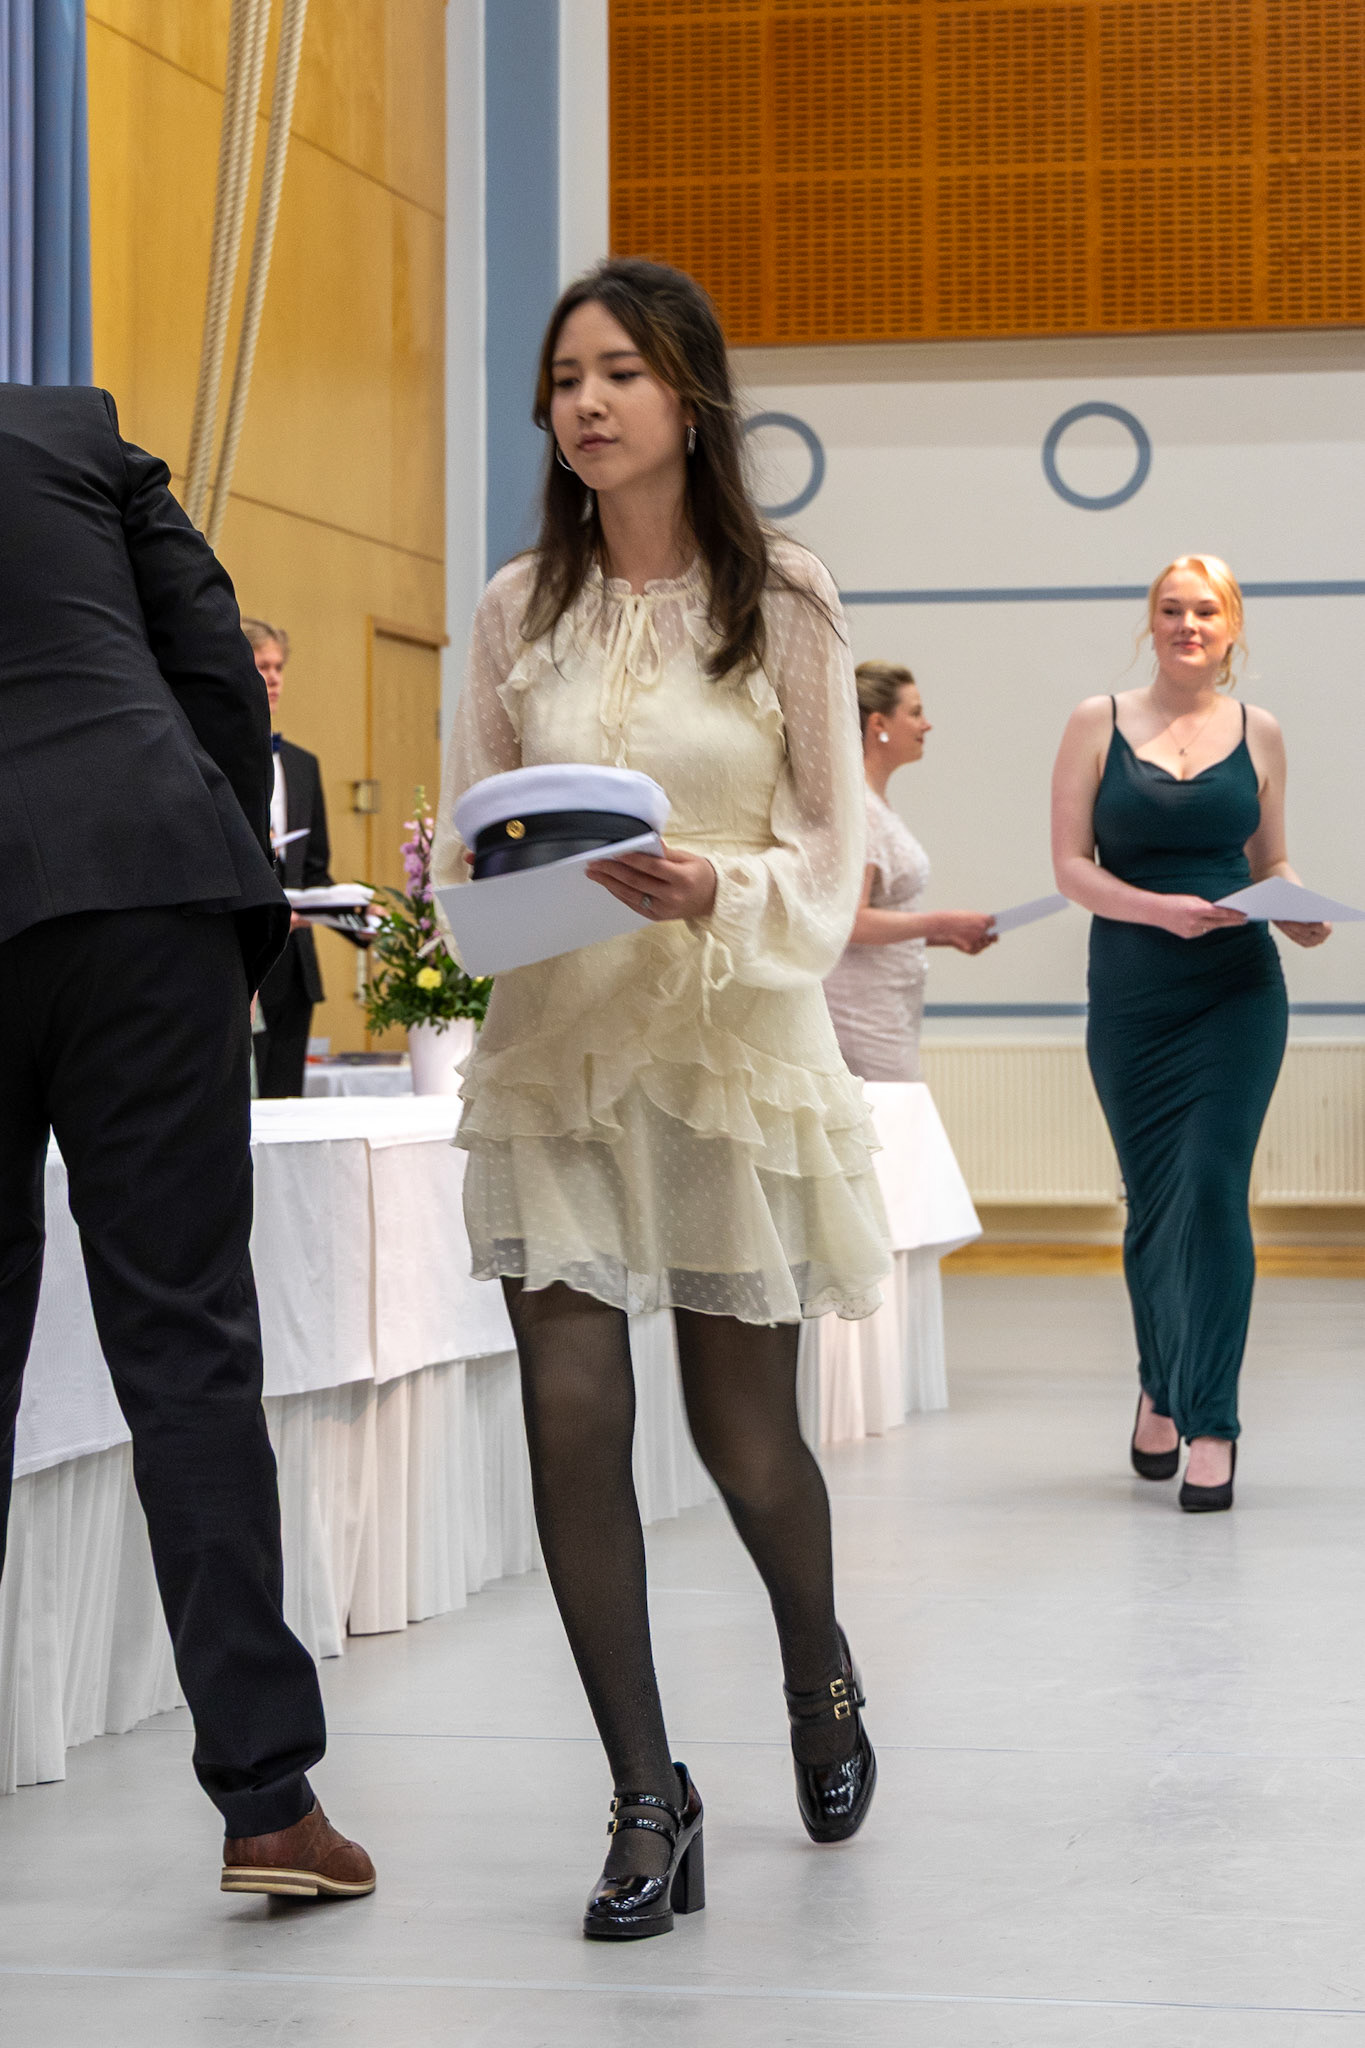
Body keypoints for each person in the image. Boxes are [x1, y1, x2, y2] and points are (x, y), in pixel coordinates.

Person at [433, 258, 889, 1940]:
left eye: (619, 370)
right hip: (555, 1054)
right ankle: (646, 1796)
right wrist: (477, 888)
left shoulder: (787, 599)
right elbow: (472, 835)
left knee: (745, 1440)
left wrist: (720, 886)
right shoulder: (516, 610)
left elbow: (830, 847)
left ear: (688, 396)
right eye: (567, 378)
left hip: (725, 1053)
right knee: (568, 1413)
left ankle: (817, 1670)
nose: (588, 402)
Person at [0, 383, 373, 1898]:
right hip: (142, 885)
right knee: (187, 1345)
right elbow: (215, 662)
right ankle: (269, 1803)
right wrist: (216, 859)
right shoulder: (67, 431)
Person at [1051, 555, 1329, 1512]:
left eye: (1204, 611)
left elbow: (1270, 857)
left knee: (1210, 1191)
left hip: (1236, 990)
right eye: (1169, 609)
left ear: (1231, 625)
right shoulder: (1096, 722)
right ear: (1151, 623)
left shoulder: (1261, 731)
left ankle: (1210, 1421)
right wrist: (1155, 909)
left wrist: (1294, 904)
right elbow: (1069, 867)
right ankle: (1158, 1385)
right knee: (1153, 1203)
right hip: (1133, 995)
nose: (1186, 624)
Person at [824, 659, 995, 1080]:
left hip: (888, 1002)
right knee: (892, 1116)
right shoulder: (859, 808)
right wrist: (940, 921)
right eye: (916, 713)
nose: (926, 725)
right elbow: (851, 921)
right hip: (861, 1010)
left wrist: (942, 935)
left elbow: (883, 915)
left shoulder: (874, 804)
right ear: (879, 724)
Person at [243, 619, 333, 1096]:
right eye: (263, 666)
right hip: (246, 956)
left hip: (295, 966)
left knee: (289, 1101)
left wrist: (352, 915)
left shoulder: (301, 764)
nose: (275, 678)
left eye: (279, 667)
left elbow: (315, 868)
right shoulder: (216, 755)